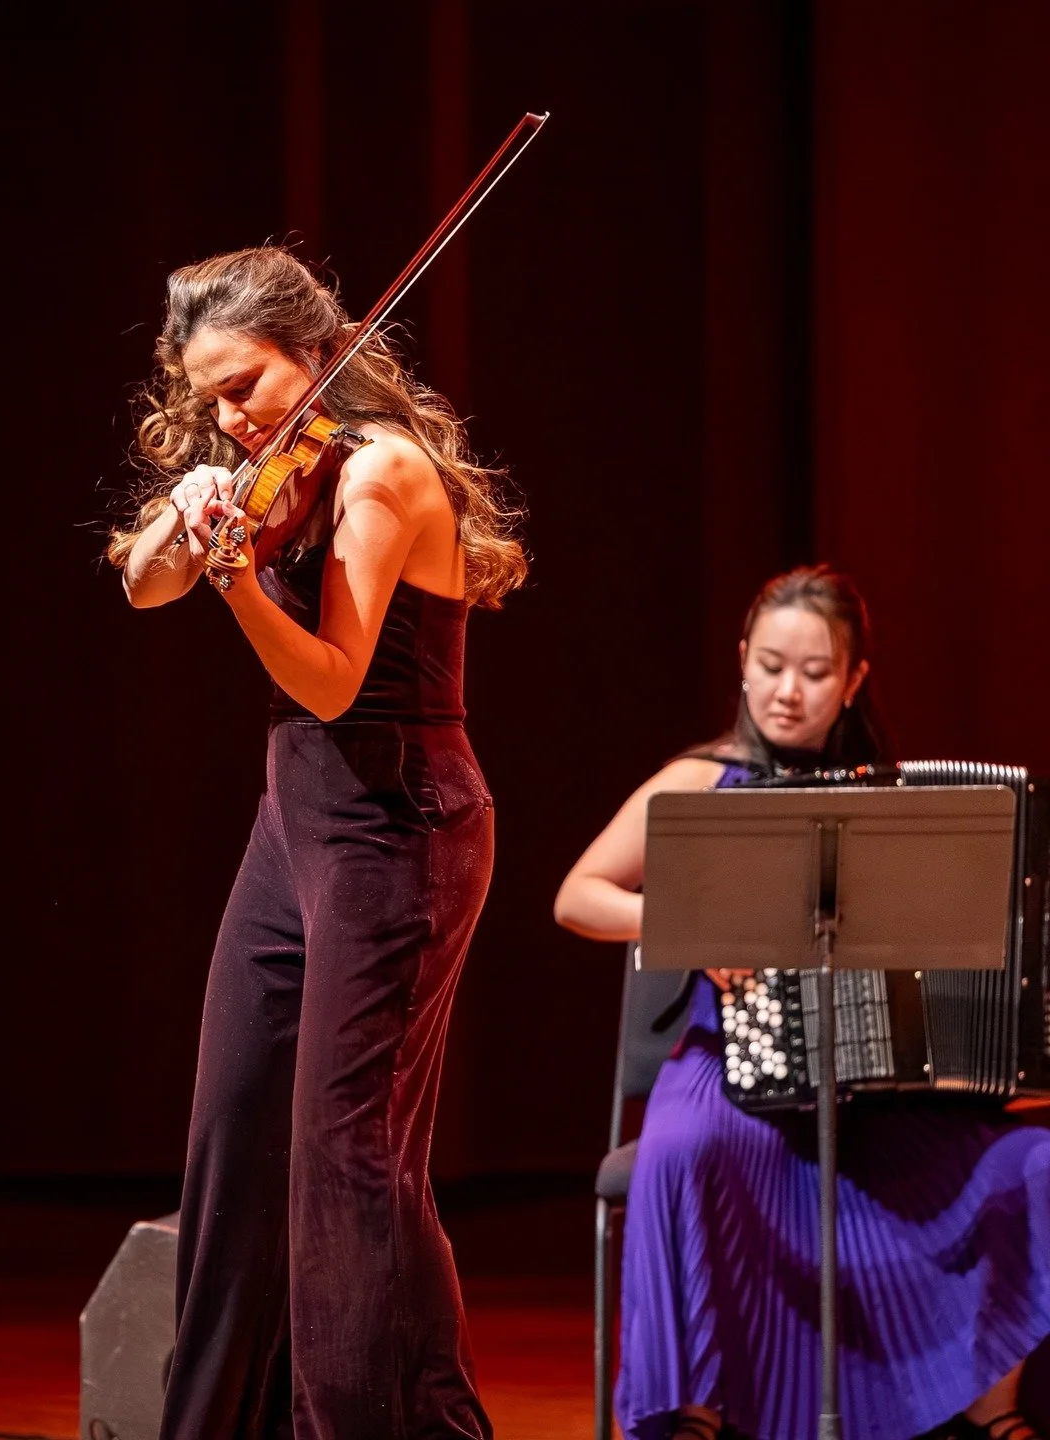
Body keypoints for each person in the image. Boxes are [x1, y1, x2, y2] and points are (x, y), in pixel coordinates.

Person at [108, 246, 525, 1440]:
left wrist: (236, 582)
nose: (233, 419)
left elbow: (336, 682)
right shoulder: (259, 466)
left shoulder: (380, 471)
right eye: (212, 400)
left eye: (245, 387)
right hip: (295, 823)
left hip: (399, 825)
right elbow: (141, 589)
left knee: (348, 1164)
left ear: (316, 352)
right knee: (235, 1138)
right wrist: (188, 519)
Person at [554, 565, 1050, 1440]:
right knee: (684, 1150)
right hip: (726, 1062)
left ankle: (988, 1408)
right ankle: (699, 1410)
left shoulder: (891, 801)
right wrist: (693, 930)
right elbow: (577, 896)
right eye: (771, 665)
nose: (788, 690)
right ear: (743, 660)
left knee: (1031, 1161)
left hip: (870, 1086)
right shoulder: (703, 778)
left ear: (854, 679)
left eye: (816, 672)